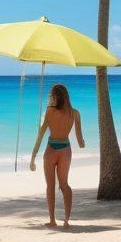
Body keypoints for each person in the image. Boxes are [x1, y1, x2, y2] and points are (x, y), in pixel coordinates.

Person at [29, 83, 85, 227]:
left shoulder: (49, 111)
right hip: (65, 150)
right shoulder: (75, 113)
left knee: (50, 186)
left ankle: (52, 220)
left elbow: (40, 135)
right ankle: (66, 219)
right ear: (66, 96)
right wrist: (82, 143)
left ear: (53, 96)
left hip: (50, 150)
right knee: (64, 185)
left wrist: (33, 157)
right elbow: (80, 140)